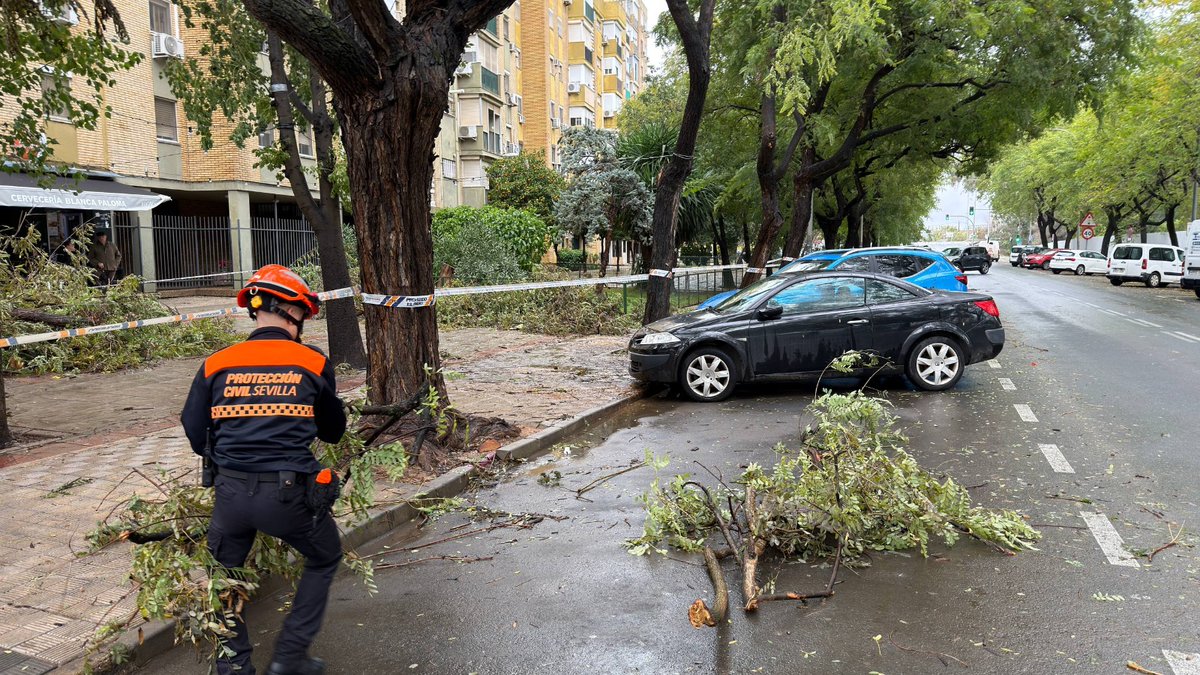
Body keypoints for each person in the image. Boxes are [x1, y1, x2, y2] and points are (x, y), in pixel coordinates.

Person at [181, 264, 346, 675]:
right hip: (288, 496)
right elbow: (333, 432)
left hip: (231, 497)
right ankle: (289, 657)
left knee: (225, 580)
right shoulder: (312, 361)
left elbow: (192, 427)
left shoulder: (217, 362)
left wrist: (225, 452)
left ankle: (234, 668)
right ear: (290, 310)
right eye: (304, 315)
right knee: (325, 555)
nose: (303, 323)